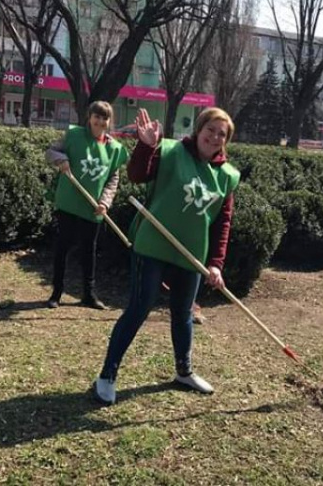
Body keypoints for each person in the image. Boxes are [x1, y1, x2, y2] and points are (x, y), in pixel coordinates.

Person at [93, 107, 240, 405]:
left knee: (183, 313)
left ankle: (184, 372)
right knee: (139, 307)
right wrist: (147, 146)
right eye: (210, 129)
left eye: (221, 134)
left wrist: (216, 264)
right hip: (153, 246)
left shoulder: (227, 176)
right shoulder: (171, 151)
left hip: (191, 254)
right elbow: (137, 176)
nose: (214, 137)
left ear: (226, 141)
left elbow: (223, 222)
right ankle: (107, 375)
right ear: (199, 129)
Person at [45, 101, 128, 310]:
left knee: (88, 251)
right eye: (96, 117)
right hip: (69, 204)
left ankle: (89, 294)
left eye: (104, 118)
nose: (100, 121)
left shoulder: (114, 149)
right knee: (62, 248)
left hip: (93, 208)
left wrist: (105, 202)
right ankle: (56, 292)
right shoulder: (74, 136)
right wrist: (61, 159)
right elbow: (51, 151)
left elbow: (112, 179)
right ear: (89, 117)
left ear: (109, 122)